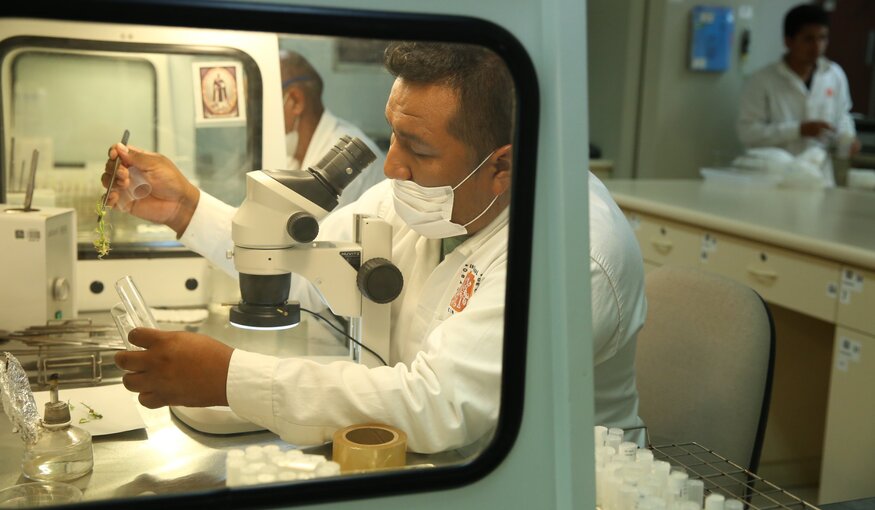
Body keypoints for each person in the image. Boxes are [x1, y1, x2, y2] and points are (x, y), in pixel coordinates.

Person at [103, 42, 646, 453]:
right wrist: (184, 209)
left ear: (501, 164)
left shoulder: (573, 253)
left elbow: (436, 404)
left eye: (418, 148)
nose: (390, 167)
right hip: (427, 463)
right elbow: (305, 272)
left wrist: (229, 378)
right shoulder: (417, 195)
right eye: (393, 135)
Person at [737, 3, 860, 187]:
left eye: (822, 38)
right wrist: (798, 130)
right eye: (808, 39)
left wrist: (848, 138)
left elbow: (842, 115)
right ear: (788, 41)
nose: (817, 46)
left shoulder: (834, 75)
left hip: (819, 178)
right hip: (774, 178)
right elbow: (748, 133)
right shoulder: (762, 81)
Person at [280, 50, 386, 208]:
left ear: (296, 101)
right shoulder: (294, 157)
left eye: (260, 103)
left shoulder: (347, 159)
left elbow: (309, 229)